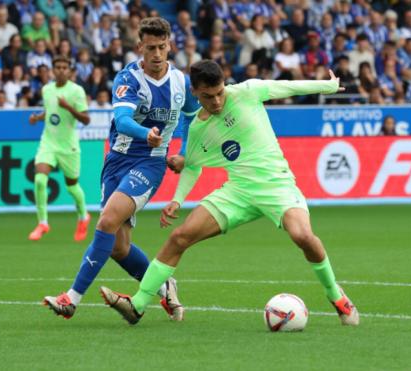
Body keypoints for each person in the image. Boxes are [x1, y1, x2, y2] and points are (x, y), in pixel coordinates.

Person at [98, 60, 359, 327]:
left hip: (276, 185)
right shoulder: (198, 129)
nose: (217, 101)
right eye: (208, 97)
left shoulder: (246, 91)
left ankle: (336, 296)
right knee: (179, 237)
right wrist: (177, 199)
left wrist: (327, 85)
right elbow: (192, 164)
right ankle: (138, 305)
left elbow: (287, 87)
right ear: (195, 93)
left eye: (220, 92)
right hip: (238, 191)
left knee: (302, 235)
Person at [43, 17, 199, 321]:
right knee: (118, 246)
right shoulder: (128, 78)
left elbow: (193, 118)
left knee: (107, 221)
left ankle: (71, 299)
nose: (156, 54)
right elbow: (124, 121)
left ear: (170, 46)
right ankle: (164, 285)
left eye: (162, 47)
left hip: (151, 162)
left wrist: (183, 152)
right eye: (150, 48)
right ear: (139, 47)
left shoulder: (182, 82)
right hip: (116, 161)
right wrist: (147, 132)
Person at [27, 55, 91, 241]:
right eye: (58, 67)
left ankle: (83, 216)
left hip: (68, 146)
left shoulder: (76, 91)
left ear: (70, 70)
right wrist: (38, 118)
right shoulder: (46, 89)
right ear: (53, 70)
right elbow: (51, 110)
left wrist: (68, 107)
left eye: (65, 67)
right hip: (48, 142)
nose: (61, 70)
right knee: (39, 180)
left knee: (72, 187)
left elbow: (86, 120)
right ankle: (43, 223)